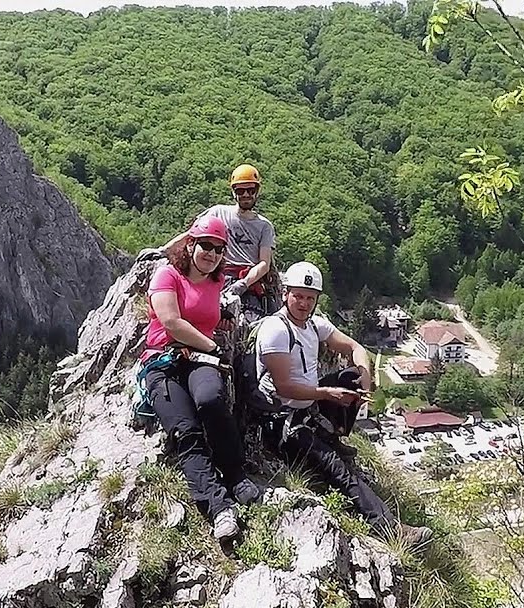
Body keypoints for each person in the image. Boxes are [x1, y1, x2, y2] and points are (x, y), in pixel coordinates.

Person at [253, 262, 434, 547]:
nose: (303, 303)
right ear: (286, 294)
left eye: (310, 298)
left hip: (307, 407)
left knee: (350, 376)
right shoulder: (276, 330)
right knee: (338, 469)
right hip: (281, 420)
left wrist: (365, 376)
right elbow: (284, 388)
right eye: (298, 296)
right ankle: (391, 530)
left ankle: (332, 434)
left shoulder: (313, 325)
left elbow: (354, 348)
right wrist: (327, 394)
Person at [139, 214, 261, 542]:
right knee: (186, 430)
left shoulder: (215, 282)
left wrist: (220, 317)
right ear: (190, 244)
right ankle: (219, 508)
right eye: (206, 245)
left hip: (199, 361)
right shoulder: (167, 274)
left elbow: (205, 308)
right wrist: (210, 345)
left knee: (211, 401)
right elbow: (171, 321)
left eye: (219, 249)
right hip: (164, 362)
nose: (212, 254)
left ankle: (236, 476)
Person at [137, 164, 276, 317]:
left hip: (246, 279)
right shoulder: (218, 212)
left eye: (251, 190)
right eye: (240, 190)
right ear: (233, 192)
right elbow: (191, 235)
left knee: (249, 320)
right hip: (215, 272)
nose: (246, 195)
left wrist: (243, 284)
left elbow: (264, 263)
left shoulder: (264, 226)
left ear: (257, 191)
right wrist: (162, 251)